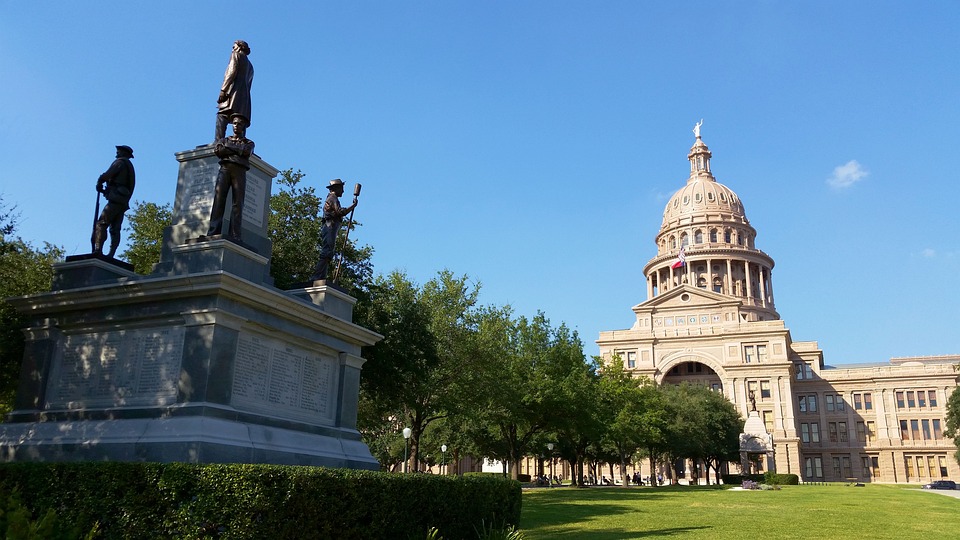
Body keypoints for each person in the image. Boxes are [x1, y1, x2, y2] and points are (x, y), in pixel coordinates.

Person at [206, 116, 255, 240]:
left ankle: (235, 234)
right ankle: (213, 232)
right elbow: (219, 150)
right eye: (234, 123)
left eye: (239, 124)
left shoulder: (249, 143)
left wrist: (229, 149)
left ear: (243, 126)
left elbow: (246, 152)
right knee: (218, 200)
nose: (236, 126)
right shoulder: (224, 140)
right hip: (225, 169)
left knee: (238, 203)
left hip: (239, 171)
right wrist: (237, 150)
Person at [310, 179, 358, 281]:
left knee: (328, 252)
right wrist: (353, 206)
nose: (343, 191)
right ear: (336, 188)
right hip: (329, 226)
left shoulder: (332, 199)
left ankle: (321, 276)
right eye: (342, 189)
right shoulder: (333, 198)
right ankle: (316, 277)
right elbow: (340, 212)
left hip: (331, 226)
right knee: (327, 252)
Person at [92, 145, 136, 258]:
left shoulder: (120, 162)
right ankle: (111, 254)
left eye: (119, 151)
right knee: (115, 228)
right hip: (122, 200)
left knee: (101, 223)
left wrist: (100, 181)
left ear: (123, 153)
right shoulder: (128, 165)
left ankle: (98, 250)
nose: (117, 153)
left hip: (116, 199)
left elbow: (108, 174)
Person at [215, 40, 253, 142]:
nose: (233, 49)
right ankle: (241, 141)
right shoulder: (250, 66)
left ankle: (218, 141)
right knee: (240, 117)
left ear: (239, 47)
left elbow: (231, 72)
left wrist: (223, 90)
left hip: (233, 91)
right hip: (244, 95)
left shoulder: (236, 55)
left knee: (222, 114)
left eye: (234, 47)